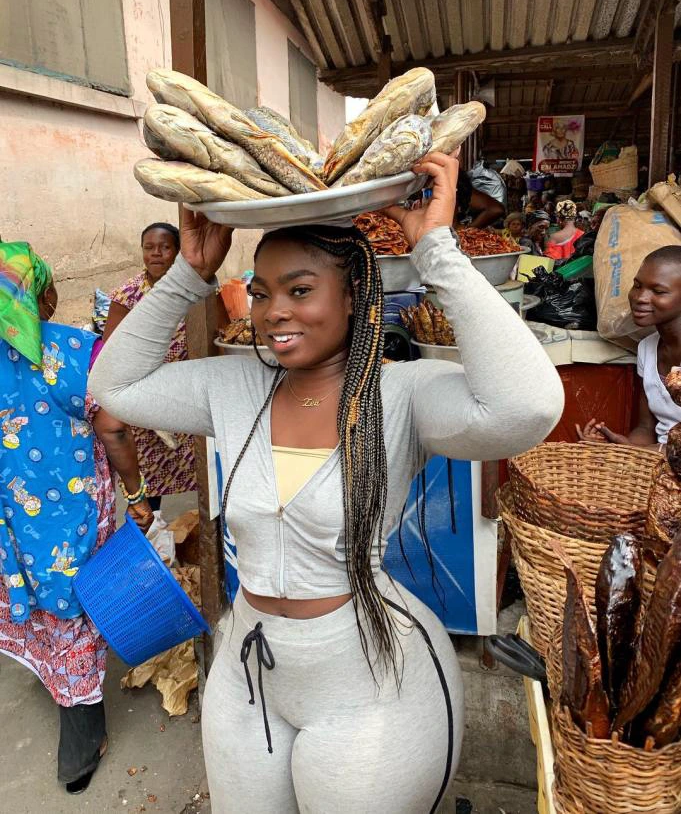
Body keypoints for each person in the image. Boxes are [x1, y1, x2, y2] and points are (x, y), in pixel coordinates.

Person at [89, 152, 563, 813]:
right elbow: (113, 388)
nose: (273, 310)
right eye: (260, 291)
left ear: (352, 295)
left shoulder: (400, 395)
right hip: (248, 670)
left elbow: (527, 407)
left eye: (300, 289)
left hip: (365, 684)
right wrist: (187, 274)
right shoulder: (234, 385)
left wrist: (436, 250)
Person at [0, 241, 152, 794]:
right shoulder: (75, 352)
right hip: (70, 523)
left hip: (10, 527)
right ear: (43, 293)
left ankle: (54, 678)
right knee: (73, 609)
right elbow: (112, 428)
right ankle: (81, 735)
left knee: (33, 605)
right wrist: (136, 491)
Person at [103, 222, 195, 512]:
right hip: (144, 397)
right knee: (148, 480)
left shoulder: (194, 290)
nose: (156, 254)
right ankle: (150, 544)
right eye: (149, 247)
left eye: (165, 247)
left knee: (203, 474)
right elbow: (109, 348)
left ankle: (203, 540)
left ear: (178, 251)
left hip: (187, 395)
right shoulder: (127, 295)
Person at [577, 245, 681, 449]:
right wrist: (622, 446)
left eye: (658, 291)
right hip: (657, 464)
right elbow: (645, 428)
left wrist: (635, 453)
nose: (640, 298)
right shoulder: (647, 349)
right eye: (637, 285)